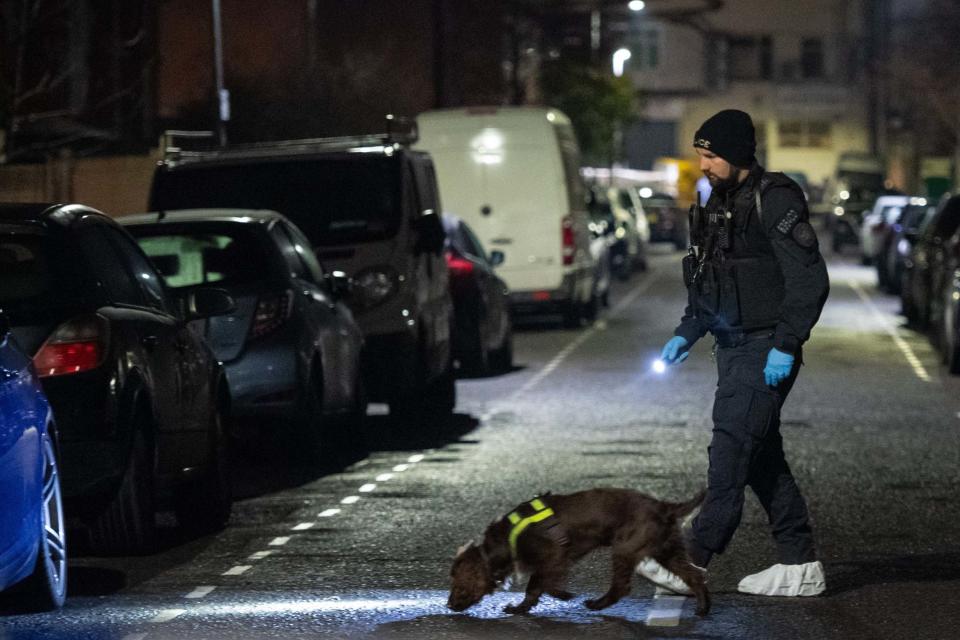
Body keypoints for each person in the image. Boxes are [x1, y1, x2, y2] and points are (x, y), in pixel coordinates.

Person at [638, 109, 830, 597]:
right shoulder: (712, 200)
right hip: (731, 346)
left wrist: (786, 344)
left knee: (731, 448)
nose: (703, 165)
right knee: (761, 455)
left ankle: (693, 559)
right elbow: (708, 276)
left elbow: (809, 280)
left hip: (765, 347)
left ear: (739, 155)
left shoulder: (777, 199)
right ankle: (799, 563)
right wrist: (688, 330)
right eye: (700, 154)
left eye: (711, 155)